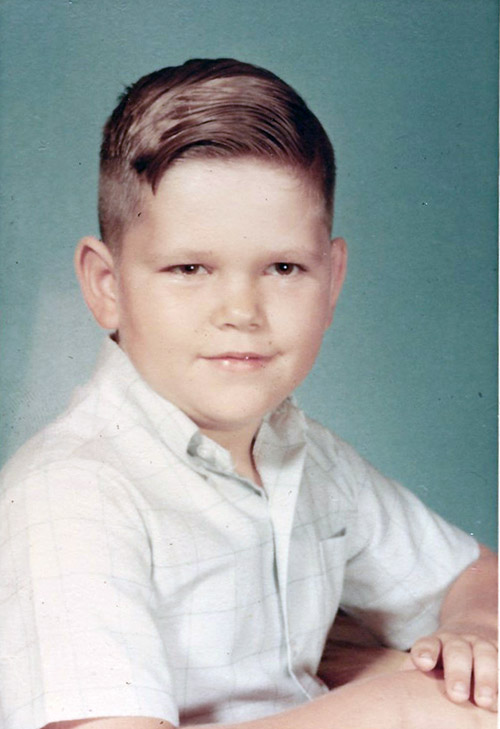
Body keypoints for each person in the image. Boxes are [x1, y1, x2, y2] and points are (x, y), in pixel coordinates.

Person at [0, 58, 496, 729]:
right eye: (189, 268)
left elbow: (473, 572)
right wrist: (402, 706)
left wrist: (475, 632)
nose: (241, 311)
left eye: (283, 267)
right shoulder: (73, 492)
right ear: (106, 285)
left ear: (332, 280)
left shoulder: (308, 458)